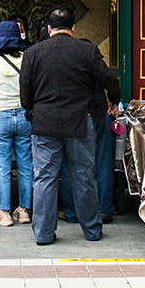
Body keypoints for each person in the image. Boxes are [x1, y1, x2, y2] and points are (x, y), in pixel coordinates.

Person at [19, 7, 120, 245]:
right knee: (84, 176)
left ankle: (43, 234)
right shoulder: (86, 50)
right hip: (79, 121)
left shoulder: (33, 53)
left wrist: (31, 110)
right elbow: (108, 79)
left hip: (44, 122)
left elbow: (25, 90)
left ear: (49, 29)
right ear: (74, 28)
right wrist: (114, 100)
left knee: (44, 178)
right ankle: (92, 230)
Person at [0, 20, 32, 227]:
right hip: (24, 116)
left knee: (1, 169)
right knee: (26, 166)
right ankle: (25, 210)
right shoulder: (27, 58)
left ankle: (4, 212)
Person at [59, 81, 116, 225]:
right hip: (99, 110)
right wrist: (113, 100)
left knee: (70, 164)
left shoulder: (59, 60)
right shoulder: (92, 58)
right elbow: (109, 79)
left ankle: (72, 212)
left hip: (72, 113)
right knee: (103, 162)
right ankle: (103, 210)